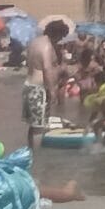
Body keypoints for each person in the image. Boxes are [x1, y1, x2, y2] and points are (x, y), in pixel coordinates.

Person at [22, 17, 69, 149]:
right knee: (39, 128)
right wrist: (52, 91)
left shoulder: (34, 42)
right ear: (57, 34)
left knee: (34, 125)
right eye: (60, 37)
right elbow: (47, 69)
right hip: (39, 89)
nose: (60, 41)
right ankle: (37, 159)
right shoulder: (47, 46)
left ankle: (29, 151)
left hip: (28, 86)